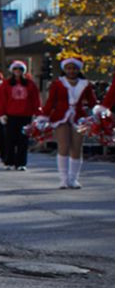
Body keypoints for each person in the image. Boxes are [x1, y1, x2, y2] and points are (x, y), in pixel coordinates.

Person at [45, 57, 94, 189]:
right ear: (64, 69)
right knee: (64, 146)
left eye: (74, 68)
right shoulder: (58, 84)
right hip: (61, 117)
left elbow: (92, 101)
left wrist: (99, 112)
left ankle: (74, 178)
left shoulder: (86, 84)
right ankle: (63, 179)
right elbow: (50, 102)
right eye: (69, 68)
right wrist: (43, 115)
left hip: (79, 117)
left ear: (79, 69)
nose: (71, 71)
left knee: (77, 147)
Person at [0, 60, 40, 172]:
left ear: (23, 71)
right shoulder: (6, 84)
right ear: (12, 70)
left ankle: (21, 163)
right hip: (10, 115)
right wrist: (1, 114)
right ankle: (9, 162)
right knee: (9, 140)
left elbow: (35, 100)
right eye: (15, 69)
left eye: (20, 69)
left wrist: (37, 113)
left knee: (23, 140)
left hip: (26, 115)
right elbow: (1, 100)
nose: (18, 71)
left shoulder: (30, 84)